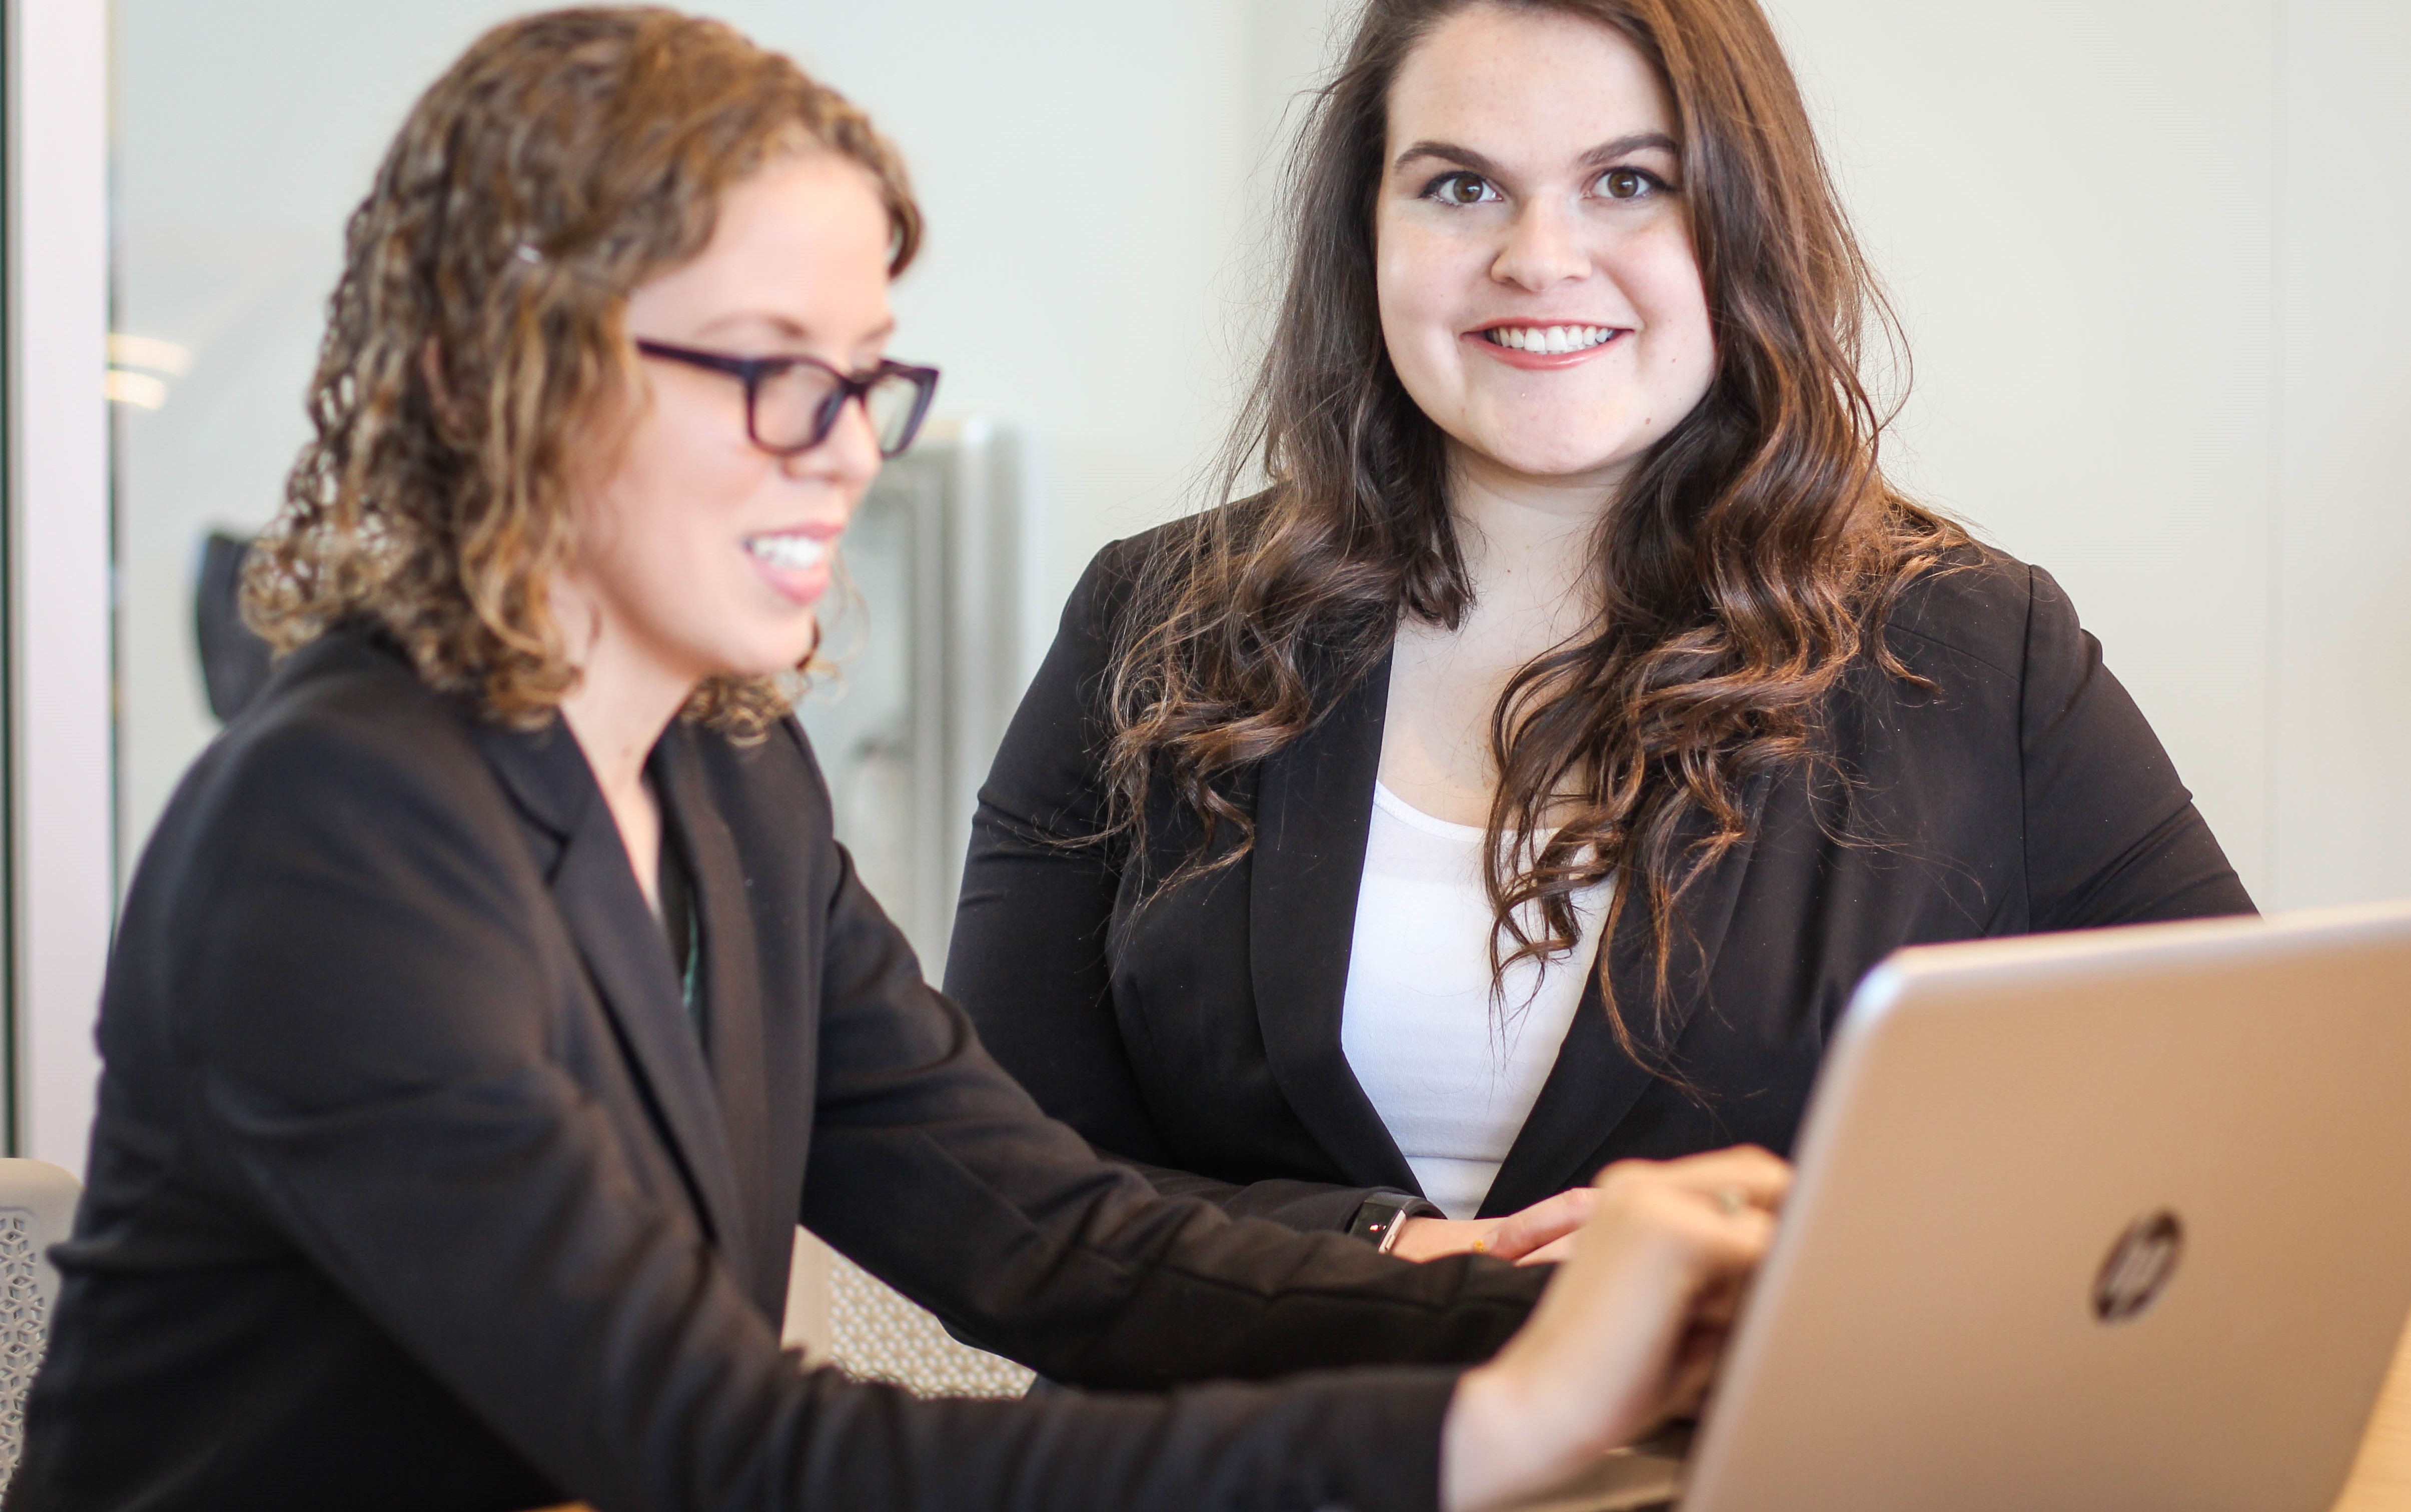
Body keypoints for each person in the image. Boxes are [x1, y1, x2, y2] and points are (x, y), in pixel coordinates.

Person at [9, 11, 1790, 1510]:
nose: (846, 456)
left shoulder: (726, 785)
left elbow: (1046, 1241)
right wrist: (1494, 1424)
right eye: (773, 374)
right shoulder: (339, 830)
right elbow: (721, 1446)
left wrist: (1582, 1316)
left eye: (865, 380)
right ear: (505, 384)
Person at [946, 0, 2252, 1265]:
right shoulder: (1152, 622)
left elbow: (2247, 1121)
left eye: (1628, 182)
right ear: (1366, 234)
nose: (1540, 256)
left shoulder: (1976, 651)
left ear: (1744, 220)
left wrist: (1806, 1254)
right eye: (1460, 187)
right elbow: (999, 1186)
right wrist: (1395, 1263)